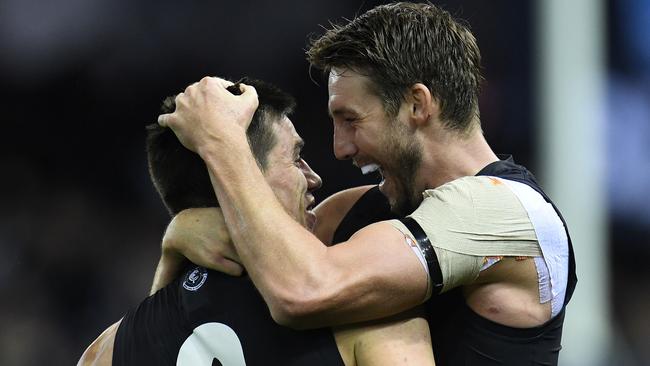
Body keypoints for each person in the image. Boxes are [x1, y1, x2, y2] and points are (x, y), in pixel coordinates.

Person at [156, 2, 577, 365]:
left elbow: (302, 290)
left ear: (417, 105)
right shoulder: (358, 210)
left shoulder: (507, 214)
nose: (340, 148)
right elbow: (203, 311)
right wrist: (179, 237)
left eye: (351, 120)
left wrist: (222, 142)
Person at [77, 79, 435, 366]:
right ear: (239, 172)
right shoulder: (366, 312)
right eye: (296, 158)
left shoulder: (103, 353)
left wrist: (174, 250)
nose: (314, 178)